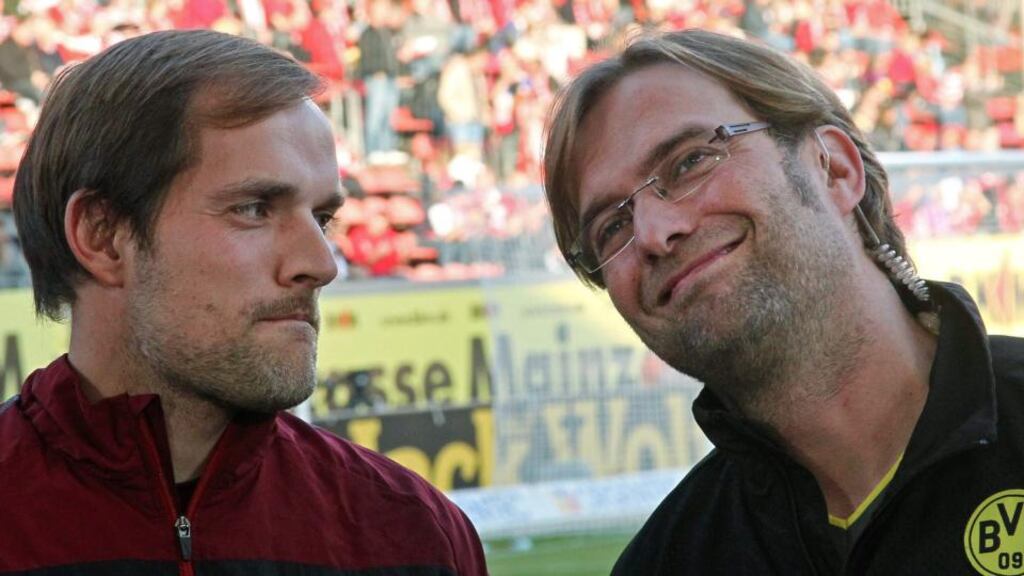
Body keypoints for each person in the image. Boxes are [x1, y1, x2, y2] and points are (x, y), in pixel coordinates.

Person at [3, 29, 487, 575]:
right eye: (255, 209)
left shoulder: (414, 535)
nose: (322, 264)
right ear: (103, 236)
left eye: (323, 218)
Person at [543, 29, 1024, 574]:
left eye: (690, 161)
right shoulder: (665, 562)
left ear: (834, 169)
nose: (654, 232)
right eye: (611, 228)